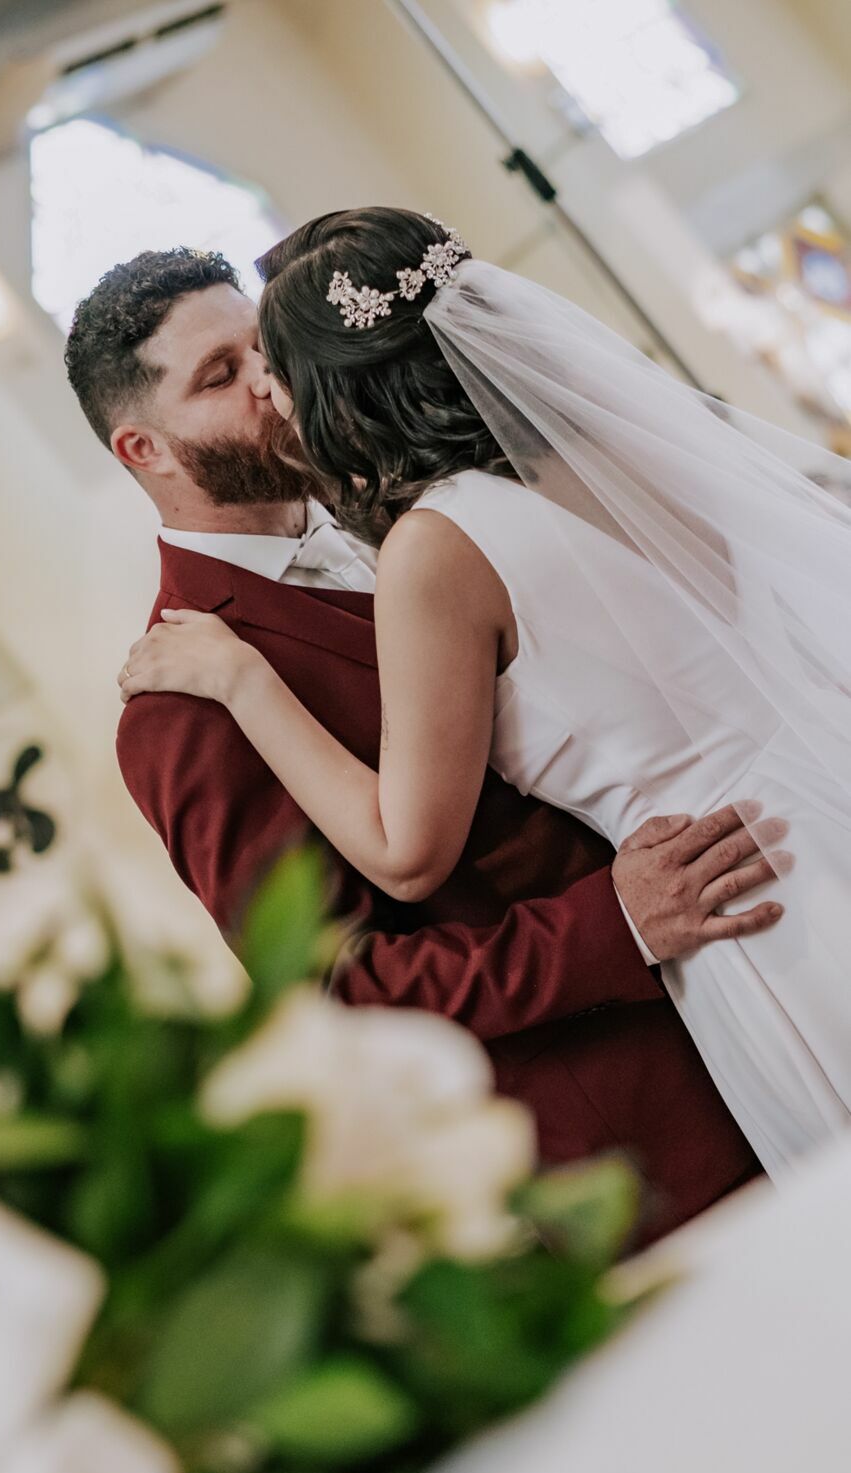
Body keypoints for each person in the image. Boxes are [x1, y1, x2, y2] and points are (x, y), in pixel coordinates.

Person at [118, 209, 851, 1182]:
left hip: (760, 919)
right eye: (221, 376)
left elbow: (406, 848)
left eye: (267, 354)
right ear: (144, 450)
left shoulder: (426, 539)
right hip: (701, 985)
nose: (263, 385)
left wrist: (247, 681)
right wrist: (612, 926)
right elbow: (332, 977)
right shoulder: (601, 453)